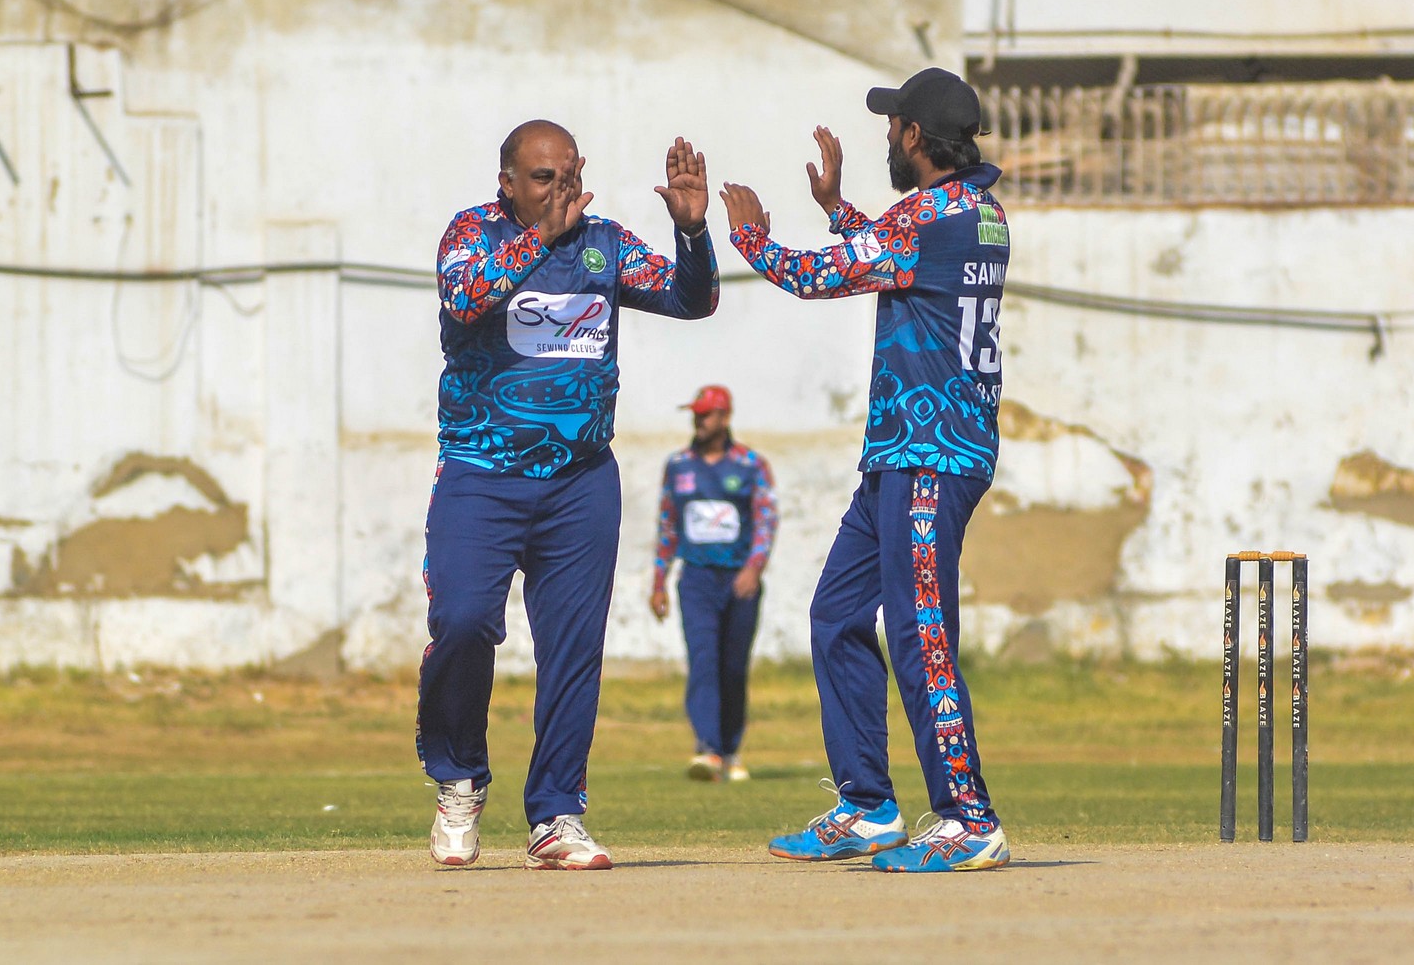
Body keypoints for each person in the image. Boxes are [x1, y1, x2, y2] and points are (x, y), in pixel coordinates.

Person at [719, 67, 1012, 873]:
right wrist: (837, 209)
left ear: (915, 135)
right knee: (837, 613)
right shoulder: (976, 212)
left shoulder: (928, 217)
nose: (886, 134)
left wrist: (750, 238)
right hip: (901, 455)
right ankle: (869, 804)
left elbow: (827, 274)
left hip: (929, 455)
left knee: (921, 634)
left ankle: (969, 818)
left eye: (892, 124)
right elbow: (898, 255)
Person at [419, 120, 718, 871]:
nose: (560, 189)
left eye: (569, 175)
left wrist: (691, 232)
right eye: (542, 178)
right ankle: (459, 779)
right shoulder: (473, 233)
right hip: (482, 473)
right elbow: (464, 299)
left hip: (580, 481)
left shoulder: (605, 244)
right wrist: (538, 240)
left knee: (574, 650)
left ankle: (555, 814)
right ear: (507, 183)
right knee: (461, 621)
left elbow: (693, 300)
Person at [650, 384, 779, 783]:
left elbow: (766, 520)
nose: (699, 421)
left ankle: (730, 749)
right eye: (696, 414)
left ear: (724, 417)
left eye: (706, 414)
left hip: (739, 582)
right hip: (697, 580)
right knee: (703, 661)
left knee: (733, 667)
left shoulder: (750, 465)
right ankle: (707, 748)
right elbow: (668, 524)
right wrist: (659, 580)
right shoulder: (679, 465)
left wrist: (753, 569)